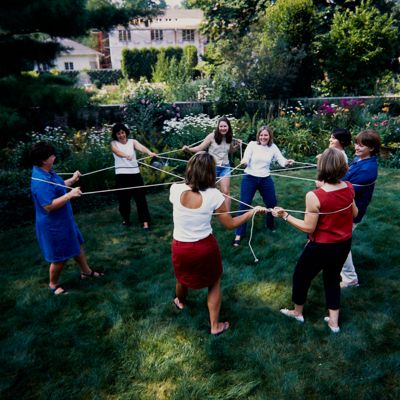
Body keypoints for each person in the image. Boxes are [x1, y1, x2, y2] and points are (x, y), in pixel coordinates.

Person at [170, 152, 265, 336]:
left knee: (181, 276)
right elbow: (230, 224)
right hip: (204, 248)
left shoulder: (175, 189)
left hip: (180, 246)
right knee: (213, 283)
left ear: (190, 168)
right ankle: (215, 326)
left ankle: (180, 302)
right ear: (211, 174)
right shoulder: (214, 195)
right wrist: (251, 212)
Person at [272, 148, 358, 333]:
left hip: (321, 246)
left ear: (322, 169)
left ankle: (297, 313)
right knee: (333, 278)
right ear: (343, 168)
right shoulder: (349, 187)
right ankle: (333, 323)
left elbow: (308, 228)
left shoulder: (315, 195)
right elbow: (355, 214)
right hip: (343, 243)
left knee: (301, 276)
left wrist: (285, 215)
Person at [30, 142, 103, 295]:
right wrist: (70, 195)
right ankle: (53, 284)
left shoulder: (47, 172)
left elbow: (58, 187)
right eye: (52, 155)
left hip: (64, 220)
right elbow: (48, 206)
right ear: (44, 160)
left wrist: (72, 180)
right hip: (53, 226)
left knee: (77, 245)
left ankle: (86, 272)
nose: (54, 157)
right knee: (59, 258)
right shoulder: (39, 181)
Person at [233, 125, 294, 246]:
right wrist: (244, 162)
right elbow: (246, 158)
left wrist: (287, 162)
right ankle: (239, 233)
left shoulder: (273, 147)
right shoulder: (252, 145)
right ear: (258, 136)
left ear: (269, 136)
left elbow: (281, 161)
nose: (263, 137)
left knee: (272, 203)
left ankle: (270, 225)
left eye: (266, 135)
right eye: (261, 135)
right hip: (249, 178)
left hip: (265, 178)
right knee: (244, 204)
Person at [340, 129, 381, 288]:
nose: (357, 148)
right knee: (339, 243)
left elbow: (345, 190)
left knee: (341, 244)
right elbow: (345, 177)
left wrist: (326, 184)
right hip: (346, 209)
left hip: (351, 213)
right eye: (357, 144)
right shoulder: (360, 160)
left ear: (371, 148)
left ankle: (350, 279)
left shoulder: (368, 169)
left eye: (362, 146)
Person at [182, 116, 241, 211]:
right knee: (208, 190)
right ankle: (205, 209)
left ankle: (226, 214)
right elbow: (200, 148)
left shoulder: (229, 137)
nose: (223, 128)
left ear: (228, 127)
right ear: (218, 127)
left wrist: (237, 146)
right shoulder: (211, 136)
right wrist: (189, 149)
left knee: (225, 191)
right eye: (221, 126)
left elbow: (230, 151)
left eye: (225, 126)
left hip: (225, 167)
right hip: (211, 167)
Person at [111, 123, 157, 229]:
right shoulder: (113, 143)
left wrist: (149, 153)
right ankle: (126, 219)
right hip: (121, 176)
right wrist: (126, 155)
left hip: (135, 174)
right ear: (116, 135)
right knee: (123, 201)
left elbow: (141, 147)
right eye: (118, 134)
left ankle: (145, 222)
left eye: (122, 132)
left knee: (140, 199)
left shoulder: (132, 142)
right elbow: (117, 152)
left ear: (125, 132)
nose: (121, 135)